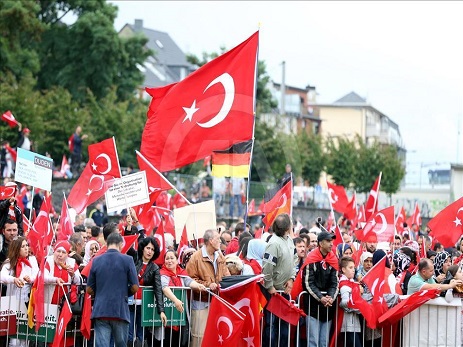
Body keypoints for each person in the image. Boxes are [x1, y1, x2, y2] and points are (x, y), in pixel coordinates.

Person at [86, 232, 139, 347]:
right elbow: (135, 287)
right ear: (121, 244)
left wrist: (100, 292)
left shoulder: (96, 260)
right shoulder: (128, 260)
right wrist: (125, 292)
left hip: (101, 310)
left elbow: (89, 289)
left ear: (106, 244)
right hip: (120, 310)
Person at [185, 229, 230, 347]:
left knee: (215, 337)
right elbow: (189, 280)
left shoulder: (220, 256)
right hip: (201, 302)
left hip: (217, 303)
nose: (220, 241)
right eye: (218, 239)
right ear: (210, 241)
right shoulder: (196, 257)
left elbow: (227, 276)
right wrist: (208, 285)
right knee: (199, 337)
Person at [262, 213, 297, 347]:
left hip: (284, 292)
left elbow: (294, 260)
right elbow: (267, 267)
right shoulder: (273, 244)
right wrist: (270, 286)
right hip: (274, 293)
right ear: (287, 227)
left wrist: (291, 278)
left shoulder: (289, 240)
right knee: (272, 326)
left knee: (284, 328)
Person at [160, 250, 207, 347]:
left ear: (177, 260)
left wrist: (198, 285)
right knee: (168, 341)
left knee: (180, 341)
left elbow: (189, 282)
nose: (169, 261)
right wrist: (176, 300)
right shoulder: (162, 273)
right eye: (167, 258)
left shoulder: (181, 272)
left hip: (179, 315)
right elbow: (164, 288)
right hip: (167, 314)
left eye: (172, 258)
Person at [302, 230, 339, 347]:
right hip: (312, 306)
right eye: (328, 241)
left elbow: (335, 283)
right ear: (320, 243)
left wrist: (330, 298)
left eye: (332, 241)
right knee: (313, 342)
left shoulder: (333, 259)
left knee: (324, 342)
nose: (331, 243)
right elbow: (308, 283)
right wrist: (320, 297)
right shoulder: (311, 258)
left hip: (327, 307)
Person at [0, 237, 39, 347]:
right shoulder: (10, 262)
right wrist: (14, 279)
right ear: (16, 249)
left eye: (27, 245)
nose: (26, 248)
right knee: (14, 337)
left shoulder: (32, 260)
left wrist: (30, 279)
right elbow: (2, 276)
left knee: (25, 335)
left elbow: (37, 275)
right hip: (12, 303)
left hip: (27, 301)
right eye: (23, 246)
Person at [128, 237, 167, 347]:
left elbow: (158, 289)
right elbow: (128, 244)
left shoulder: (155, 268)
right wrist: (129, 227)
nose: (150, 251)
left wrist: (161, 311)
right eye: (148, 248)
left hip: (143, 305)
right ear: (142, 249)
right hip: (129, 303)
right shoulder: (134, 259)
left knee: (141, 334)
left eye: (152, 249)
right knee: (129, 334)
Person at [44, 240, 83, 304]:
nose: (60, 255)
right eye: (58, 251)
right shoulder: (48, 261)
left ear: (67, 254)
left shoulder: (72, 263)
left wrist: (73, 275)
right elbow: (43, 277)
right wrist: (55, 280)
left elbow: (79, 281)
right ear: (54, 252)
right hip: (49, 302)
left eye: (63, 252)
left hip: (65, 302)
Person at [338, 256, 363, 347]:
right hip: (347, 324)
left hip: (353, 324)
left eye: (354, 267)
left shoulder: (352, 283)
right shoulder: (344, 285)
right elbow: (345, 303)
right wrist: (358, 308)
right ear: (343, 269)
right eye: (350, 267)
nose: (353, 270)